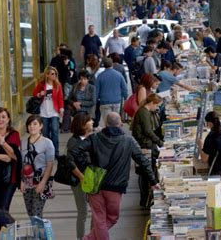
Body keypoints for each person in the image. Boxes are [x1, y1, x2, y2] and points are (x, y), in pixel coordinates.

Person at [68, 112, 158, 240]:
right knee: (112, 218)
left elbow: (73, 153)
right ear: (120, 123)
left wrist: (86, 165)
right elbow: (143, 160)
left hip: (95, 185)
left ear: (105, 123)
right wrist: (153, 181)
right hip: (115, 187)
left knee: (99, 219)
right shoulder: (128, 140)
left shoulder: (94, 138)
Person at [131, 94, 164, 208]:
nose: (157, 108)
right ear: (152, 103)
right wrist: (160, 142)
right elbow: (148, 131)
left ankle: (144, 199)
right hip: (145, 145)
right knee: (145, 172)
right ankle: (145, 200)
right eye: (157, 106)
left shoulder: (143, 111)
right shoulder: (144, 113)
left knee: (144, 172)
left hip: (144, 144)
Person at [20, 115, 55, 218]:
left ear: (41, 126)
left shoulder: (47, 143)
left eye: (35, 124)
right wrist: (21, 181)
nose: (32, 126)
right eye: (29, 124)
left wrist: (43, 183)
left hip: (40, 182)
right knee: (31, 214)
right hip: (26, 183)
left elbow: (50, 165)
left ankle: (39, 234)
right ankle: (39, 234)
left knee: (36, 215)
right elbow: (21, 164)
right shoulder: (23, 142)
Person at [196, 111, 221, 195]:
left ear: (209, 123)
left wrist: (200, 145)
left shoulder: (211, 137)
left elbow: (204, 159)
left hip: (219, 172)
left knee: (217, 198)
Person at [67, 112, 93, 240]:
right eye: (89, 120)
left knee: (95, 211)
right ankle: (80, 238)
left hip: (92, 179)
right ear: (82, 124)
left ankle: (93, 236)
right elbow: (70, 162)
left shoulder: (92, 138)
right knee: (83, 212)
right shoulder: (73, 141)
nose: (92, 122)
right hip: (79, 181)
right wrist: (81, 177)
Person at [33, 66, 64, 158]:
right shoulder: (41, 84)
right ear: (47, 75)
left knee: (55, 131)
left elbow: (60, 98)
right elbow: (34, 94)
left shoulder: (57, 85)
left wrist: (61, 108)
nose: (54, 75)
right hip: (43, 112)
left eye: (55, 74)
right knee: (45, 133)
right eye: (52, 74)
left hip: (54, 112)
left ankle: (56, 152)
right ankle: (47, 151)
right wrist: (39, 94)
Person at [95, 57, 128, 127]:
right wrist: (125, 98)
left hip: (104, 102)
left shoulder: (100, 76)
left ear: (104, 65)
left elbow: (96, 91)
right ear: (112, 64)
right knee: (115, 121)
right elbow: (125, 88)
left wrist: (95, 102)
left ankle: (108, 136)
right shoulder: (119, 75)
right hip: (117, 101)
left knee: (107, 122)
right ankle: (116, 135)